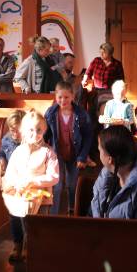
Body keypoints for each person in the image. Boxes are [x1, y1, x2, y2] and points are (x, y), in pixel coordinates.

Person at [1, 110, 59, 258]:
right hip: (22, 197)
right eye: (31, 130)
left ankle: (33, 254)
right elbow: (11, 172)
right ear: (24, 131)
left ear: (44, 130)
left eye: (39, 130)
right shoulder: (18, 151)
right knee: (18, 221)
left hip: (42, 199)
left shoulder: (48, 152)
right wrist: (16, 184)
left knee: (36, 228)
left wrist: (33, 181)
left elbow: (54, 176)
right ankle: (18, 245)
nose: (35, 133)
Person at [44, 80, 93, 214]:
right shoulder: (50, 113)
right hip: (57, 153)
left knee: (72, 185)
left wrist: (83, 156)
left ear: (72, 96)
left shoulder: (81, 114)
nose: (63, 100)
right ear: (56, 97)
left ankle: (72, 210)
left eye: (66, 97)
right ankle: (54, 214)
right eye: (60, 97)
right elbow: (46, 134)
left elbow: (88, 136)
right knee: (58, 185)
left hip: (75, 154)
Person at [0, 110, 26, 263]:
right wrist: (1, 160)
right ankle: (17, 245)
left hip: (26, 182)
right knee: (14, 215)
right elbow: (1, 152)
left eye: (17, 129)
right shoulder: (7, 138)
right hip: (11, 181)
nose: (14, 133)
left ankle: (28, 246)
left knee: (26, 216)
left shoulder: (30, 141)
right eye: (11, 129)